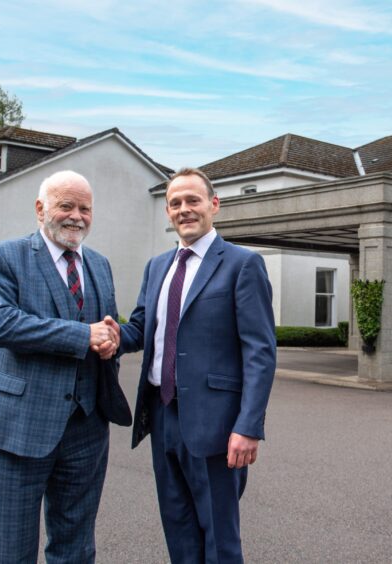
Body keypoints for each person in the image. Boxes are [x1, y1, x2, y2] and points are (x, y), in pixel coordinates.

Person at [0, 170, 125, 563]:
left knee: (75, 547)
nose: (76, 216)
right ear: (41, 209)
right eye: (66, 206)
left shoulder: (100, 265)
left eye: (85, 208)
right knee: (11, 551)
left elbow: (105, 326)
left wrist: (111, 341)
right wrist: (82, 336)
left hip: (86, 430)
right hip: (16, 428)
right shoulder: (3, 257)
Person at [120, 167, 276, 563]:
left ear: (214, 205)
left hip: (217, 425)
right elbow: (141, 327)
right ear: (168, 212)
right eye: (175, 203)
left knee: (219, 538)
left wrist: (248, 426)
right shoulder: (158, 267)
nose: (184, 209)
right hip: (161, 414)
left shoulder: (243, 264)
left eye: (193, 200)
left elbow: (260, 351)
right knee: (179, 530)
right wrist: (110, 336)